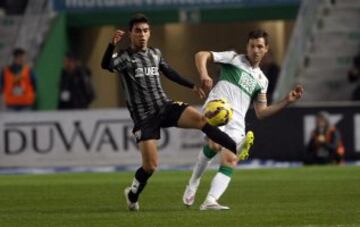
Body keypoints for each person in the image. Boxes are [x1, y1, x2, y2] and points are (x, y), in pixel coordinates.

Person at [101, 14, 253, 211]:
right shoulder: (124, 58)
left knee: (201, 120)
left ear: (149, 33)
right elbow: (106, 65)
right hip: (144, 117)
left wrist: (191, 85)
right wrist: (111, 45)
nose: (142, 35)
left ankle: (235, 146)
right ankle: (132, 193)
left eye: (145, 31)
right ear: (130, 33)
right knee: (151, 166)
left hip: (164, 106)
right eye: (138, 31)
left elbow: (169, 71)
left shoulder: (155, 53)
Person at [183, 29, 304, 210]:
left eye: (260, 46)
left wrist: (287, 100)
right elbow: (201, 55)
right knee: (215, 145)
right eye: (252, 46)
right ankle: (193, 182)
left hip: (237, 120)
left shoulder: (262, 80)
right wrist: (204, 74)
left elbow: (261, 112)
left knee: (230, 160)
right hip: (217, 109)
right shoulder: (233, 58)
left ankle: (210, 201)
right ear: (247, 47)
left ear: (266, 49)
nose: (255, 50)